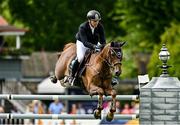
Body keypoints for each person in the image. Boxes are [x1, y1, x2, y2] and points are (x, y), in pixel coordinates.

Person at [70, 10, 106, 85]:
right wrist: (94, 47)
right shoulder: (82, 27)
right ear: (89, 20)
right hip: (82, 43)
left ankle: (108, 77)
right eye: (94, 21)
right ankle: (72, 76)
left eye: (98, 21)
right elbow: (85, 42)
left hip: (94, 43)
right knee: (80, 57)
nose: (96, 23)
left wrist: (102, 47)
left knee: (103, 55)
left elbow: (103, 41)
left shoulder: (100, 26)